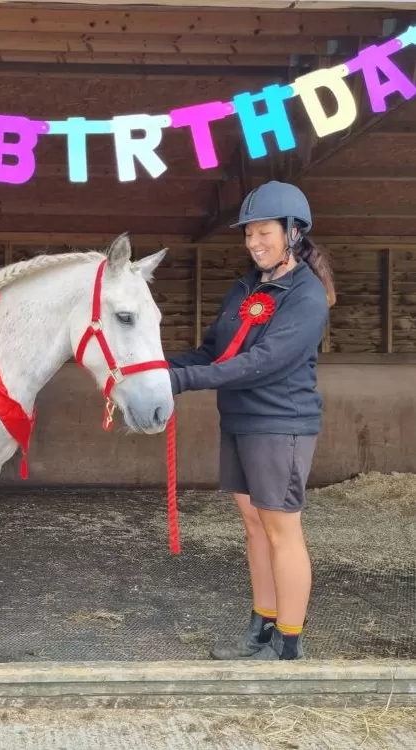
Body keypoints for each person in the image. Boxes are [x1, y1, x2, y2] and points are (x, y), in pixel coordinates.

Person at [168, 181, 336, 661]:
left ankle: (288, 644)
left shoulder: (304, 295)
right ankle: (260, 627)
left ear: (292, 232)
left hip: (280, 423)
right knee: (254, 524)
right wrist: (157, 368)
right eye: (248, 234)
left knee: (282, 528)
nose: (254, 242)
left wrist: (184, 383)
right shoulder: (246, 288)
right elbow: (215, 351)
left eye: (263, 232)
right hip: (239, 419)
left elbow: (263, 361)